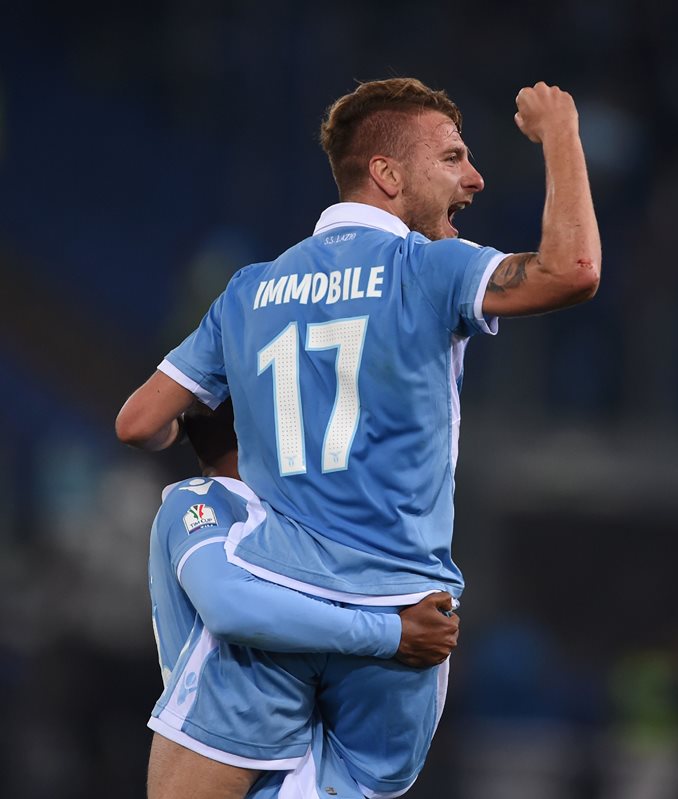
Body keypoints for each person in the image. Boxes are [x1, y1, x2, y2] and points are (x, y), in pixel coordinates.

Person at [116, 77, 601, 797]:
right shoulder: (429, 266)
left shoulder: (250, 290)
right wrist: (561, 129)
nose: (474, 176)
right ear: (386, 173)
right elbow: (574, 270)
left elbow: (139, 422)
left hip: (275, 598)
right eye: (453, 157)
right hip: (402, 612)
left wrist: (215, 453)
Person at [149, 399, 458, 799]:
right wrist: (392, 633)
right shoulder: (203, 497)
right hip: (234, 756)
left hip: (304, 757)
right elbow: (228, 604)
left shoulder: (294, 521)